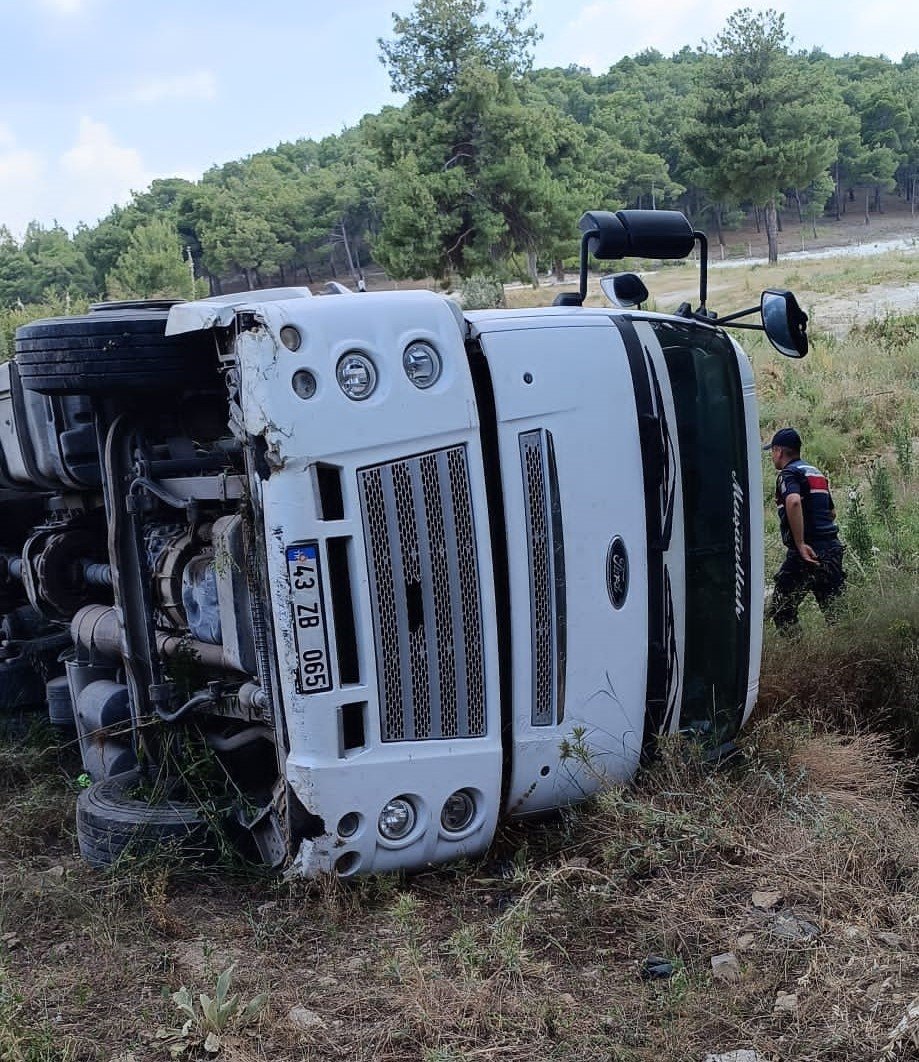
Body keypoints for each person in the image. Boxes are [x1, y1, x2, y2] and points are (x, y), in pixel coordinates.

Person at [766, 427, 845, 634]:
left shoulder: (788, 473)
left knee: (781, 609)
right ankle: (851, 661)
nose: (772, 456)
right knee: (837, 616)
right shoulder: (815, 472)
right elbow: (832, 512)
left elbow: (792, 502)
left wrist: (801, 543)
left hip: (806, 553)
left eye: (772, 451)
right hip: (831, 549)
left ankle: (796, 652)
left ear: (779, 451)